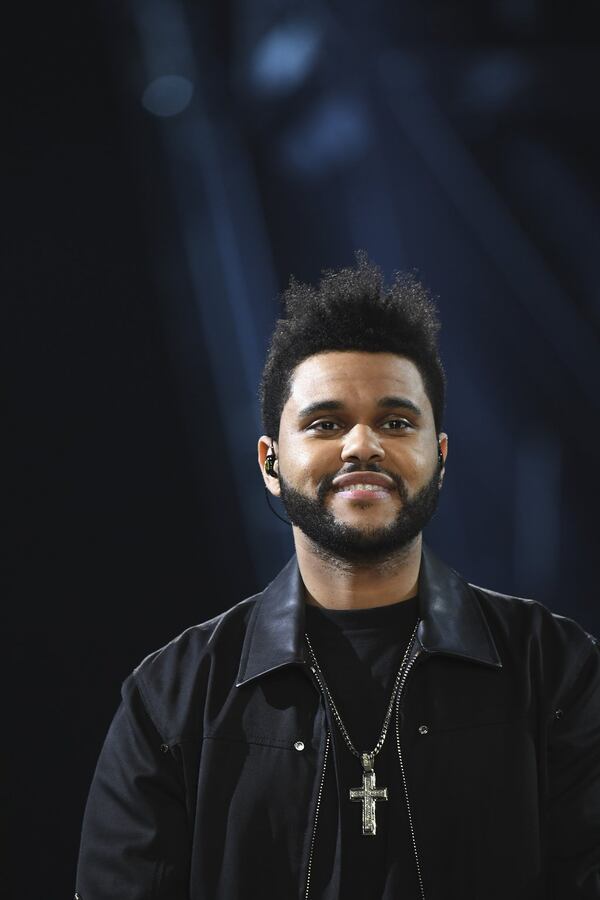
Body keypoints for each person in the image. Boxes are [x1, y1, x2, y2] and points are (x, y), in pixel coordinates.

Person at [75, 255, 600, 900]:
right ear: (271, 462)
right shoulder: (172, 697)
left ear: (440, 457)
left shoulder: (555, 667)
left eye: (396, 421)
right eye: (325, 423)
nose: (361, 445)